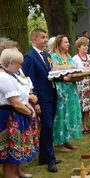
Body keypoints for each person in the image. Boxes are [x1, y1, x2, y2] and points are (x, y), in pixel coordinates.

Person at [23, 28, 60, 173]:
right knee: (48, 126)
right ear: (34, 39)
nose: (46, 40)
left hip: (51, 95)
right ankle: (50, 160)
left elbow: (50, 72)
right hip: (41, 98)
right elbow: (28, 81)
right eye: (43, 37)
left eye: (46, 37)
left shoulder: (46, 55)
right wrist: (35, 102)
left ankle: (44, 157)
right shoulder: (30, 57)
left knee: (47, 128)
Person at [0, 48, 37, 178]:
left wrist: (28, 108)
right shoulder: (4, 77)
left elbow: (22, 96)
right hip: (8, 116)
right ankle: (10, 175)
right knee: (10, 148)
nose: (21, 66)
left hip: (16, 114)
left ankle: (17, 171)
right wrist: (29, 112)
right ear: (10, 63)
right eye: (18, 63)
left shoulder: (11, 75)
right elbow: (15, 102)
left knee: (18, 145)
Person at [50, 35, 82, 152]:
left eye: (68, 42)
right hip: (62, 88)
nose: (68, 44)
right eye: (66, 42)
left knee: (70, 113)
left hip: (71, 89)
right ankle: (58, 143)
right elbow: (54, 71)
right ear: (59, 44)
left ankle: (66, 139)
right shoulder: (53, 56)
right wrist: (66, 75)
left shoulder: (68, 56)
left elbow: (74, 69)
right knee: (61, 114)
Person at [72, 37, 90, 134]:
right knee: (81, 105)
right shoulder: (75, 58)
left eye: (87, 45)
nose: (86, 47)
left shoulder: (89, 57)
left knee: (87, 107)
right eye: (84, 45)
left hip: (89, 83)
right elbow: (73, 72)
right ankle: (80, 125)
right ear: (78, 47)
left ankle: (85, 125)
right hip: (80, 84)